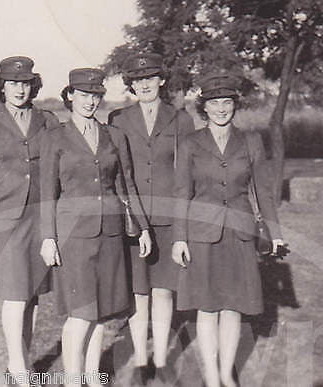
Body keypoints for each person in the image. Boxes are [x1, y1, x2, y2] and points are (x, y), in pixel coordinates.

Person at [39, 68, 152, 387]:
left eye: (95, 95)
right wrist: (48, 237)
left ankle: (93, 377)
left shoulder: (115, 136)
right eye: (84, 95)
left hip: (112, 233)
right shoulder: (54, 137)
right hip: (73, 235)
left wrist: (141, 226)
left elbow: (126, 183)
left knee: (102, 310)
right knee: (81, 312)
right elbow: (48, 192)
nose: (90, 101)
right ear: (70, 96)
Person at [171, 73, 285, 387]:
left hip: (240, 232)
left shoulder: (251, 141)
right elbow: (181, 192)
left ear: (234, 105)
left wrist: (274, 232)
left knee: (234, 307)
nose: (221, 108)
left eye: (227, 102)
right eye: (214, 102)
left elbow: (263, 189)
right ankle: (210, 375)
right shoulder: (190, 143)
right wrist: (179, 237)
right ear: (203, 107)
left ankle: (226, 374)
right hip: (201, 234)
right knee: (207, 308)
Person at [108, 53, 195, 385]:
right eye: (137, 79)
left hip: (168, 216)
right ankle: (141, 360)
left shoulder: (181, 120)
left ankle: (160, 358)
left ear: (161, 81)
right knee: (138, 291)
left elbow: (186, 172)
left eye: (150, 78)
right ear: (132, 85)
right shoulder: (118, 118)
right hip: (133, 217)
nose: (143, 84)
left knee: (163, 291)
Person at [0, 56, 58, 387]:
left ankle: (19, 363)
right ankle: (21, 371)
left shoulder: (46, 119)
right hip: (4, 217)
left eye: (25, 83)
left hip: (38, 216)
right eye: (12, 83)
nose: (20, 89)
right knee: (15, 293)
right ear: (2, 87)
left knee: (33, 293)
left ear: (32, 86)